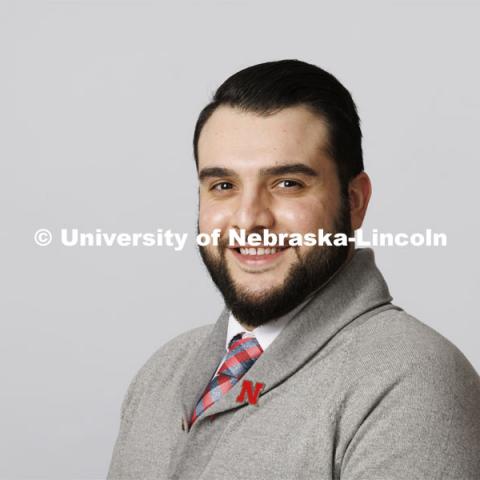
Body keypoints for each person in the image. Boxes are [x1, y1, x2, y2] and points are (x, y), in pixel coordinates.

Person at [107, 59, 480, 480]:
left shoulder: (414, 381)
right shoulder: (162, 373)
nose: (249, 220)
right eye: (223, 186)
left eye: (288, 184)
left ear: (354, 201)